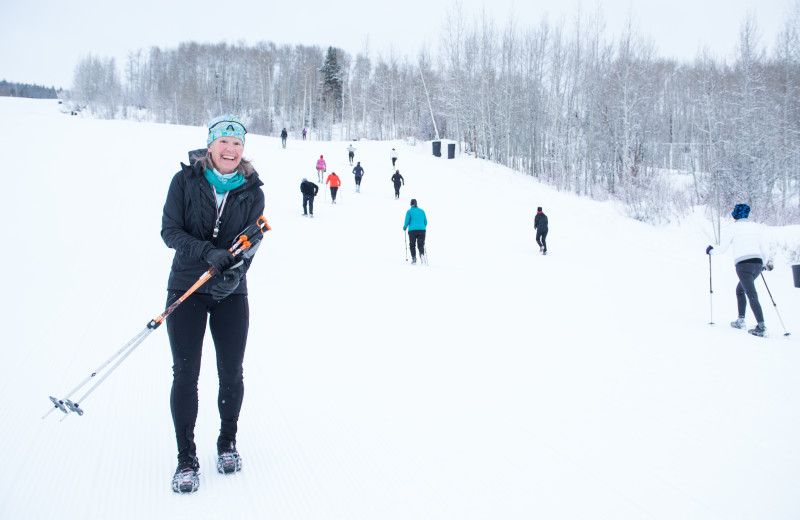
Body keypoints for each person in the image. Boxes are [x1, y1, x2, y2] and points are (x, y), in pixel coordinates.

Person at [161, 114, 265, 493]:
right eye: (224, 142)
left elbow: (251, 243)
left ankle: (227, 443)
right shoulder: (185, 181)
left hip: (230, 293)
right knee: (186, 374)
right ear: (210, 145)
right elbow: (170, 231)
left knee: (231, 371)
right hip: (187, 288)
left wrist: (231, 276)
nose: (231, 150)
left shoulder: (252, 190)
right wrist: (208, 252)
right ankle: (186, 458)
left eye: (237, 144)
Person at [707, 203, 772, 337]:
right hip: (757, 264)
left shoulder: (733, 228)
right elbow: (765, 250)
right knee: (740, 290)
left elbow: (722, 249)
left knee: (750, 293)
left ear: (736, 215)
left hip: (743, 265)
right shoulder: (756, 228)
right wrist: (763, 264)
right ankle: (740, 320)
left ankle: (761, 327)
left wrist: (711, 251)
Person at [403, 198, 427, 264]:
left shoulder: (409, 211)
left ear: (411, 204)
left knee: (412, 244)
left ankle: (414, 258)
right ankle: (422, 255)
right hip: (422, 230)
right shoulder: (422, 211)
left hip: (412, 231)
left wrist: (404, 227)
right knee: (421, 244)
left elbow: (407, 221)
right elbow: (426, 222)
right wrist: (422, 226)